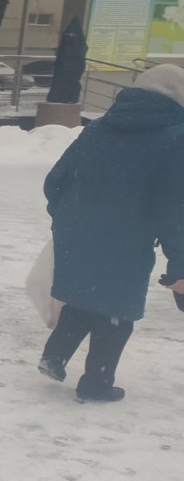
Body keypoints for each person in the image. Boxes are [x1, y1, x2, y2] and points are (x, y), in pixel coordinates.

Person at [38, 63, 184, 403]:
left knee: (83, 297)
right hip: (127, 239)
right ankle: (96, 384)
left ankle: (54, 356)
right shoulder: (176, 139)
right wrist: (180, 264)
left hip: (78, 230)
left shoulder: (99, 128)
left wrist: (67, 219)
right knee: (116, 313)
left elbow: (54, 182)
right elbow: (175, 210)